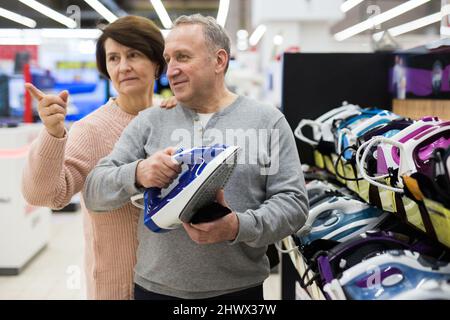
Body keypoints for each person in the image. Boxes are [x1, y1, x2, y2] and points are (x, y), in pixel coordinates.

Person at [84, 14, 308, 300]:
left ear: (219, 61)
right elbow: (94, 191)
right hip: (155, 290)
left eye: (183, 57)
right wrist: (138, 173)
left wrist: (238, 226)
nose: (171, 70)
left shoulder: (267, 122)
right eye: (168, 59)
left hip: (238, 292)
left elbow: (294, 205)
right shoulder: (150, 121)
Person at [21, 15, 177, 300]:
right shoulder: (91, 129)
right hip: (118, 286)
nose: (123, 67)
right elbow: (46, 195)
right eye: (114, 58)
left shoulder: (172, 116)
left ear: (156, 63)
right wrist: (53, 133)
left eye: (134, 54)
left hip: (175, 283)